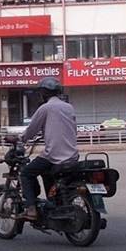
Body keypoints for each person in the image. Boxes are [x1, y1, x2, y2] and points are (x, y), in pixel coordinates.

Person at [17, 77, 79, 222]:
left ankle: (31, 209)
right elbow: (73, 129)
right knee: (46, 172)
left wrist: (20, 139)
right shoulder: (69, 107)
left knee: (26, 173)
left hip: (53, 155)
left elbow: (31, 130)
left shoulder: (45, 108)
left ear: (44, 93)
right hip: (73, 156)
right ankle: (54, 202)